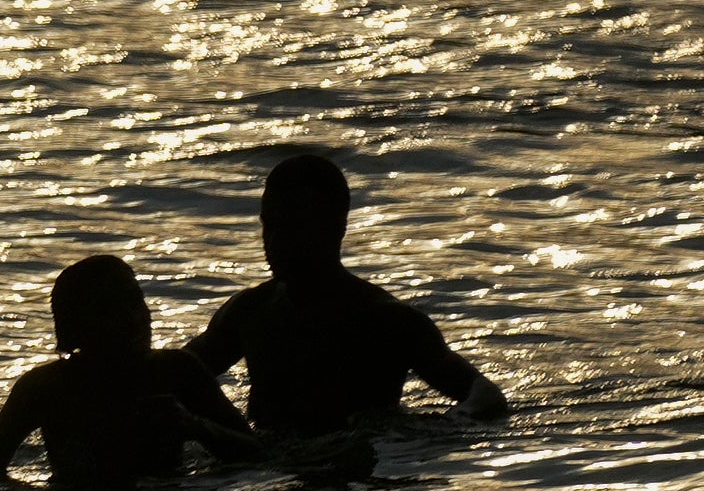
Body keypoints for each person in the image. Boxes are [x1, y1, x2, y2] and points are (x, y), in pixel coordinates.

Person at [184, 155, 508, 435]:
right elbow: (178, 372)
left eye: (294, 226)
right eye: (270, 225)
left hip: (355, 463)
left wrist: (451, 422)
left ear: (335, 227)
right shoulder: (250, 312)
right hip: (268, 465)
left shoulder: (388, 322)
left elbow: (484, 394)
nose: (275, 241)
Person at [0, 254, 261, 491]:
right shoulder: (43, 388)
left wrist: (195, 426)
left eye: (136, 301)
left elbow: (258, 454)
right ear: (71, 332)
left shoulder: (177, 371)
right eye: (108, 311)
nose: (132, 318)